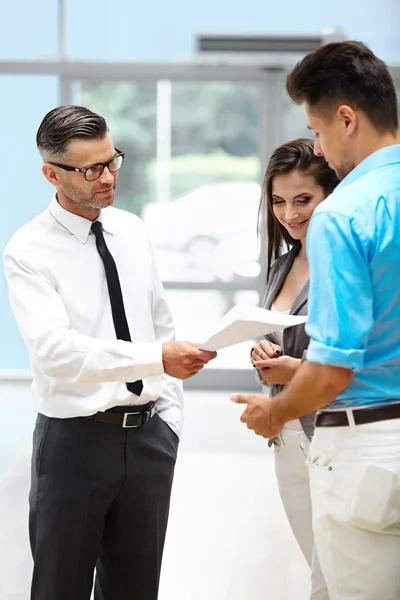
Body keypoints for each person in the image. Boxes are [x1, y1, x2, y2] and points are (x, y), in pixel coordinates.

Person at [3, 105, 217, 600]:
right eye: (90, 168)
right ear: (51, 173)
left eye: (112, 160)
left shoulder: (133, 231)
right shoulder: (28, 250)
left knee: (136, 589)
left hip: (148, 440)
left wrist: (169, 420)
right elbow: (55, 350)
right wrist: (155, 359)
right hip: (74, 443)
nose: (107, 176)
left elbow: (158, 321)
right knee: (62, 587)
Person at [231, 40, 400, 599]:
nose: (320, 148)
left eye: (319, 131)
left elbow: (333, 367)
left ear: (346, 119)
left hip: (367, 443)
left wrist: (274, 410)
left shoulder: (345, 213)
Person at [251, 138, 338, 599]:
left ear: (330, 194)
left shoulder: (344, 262)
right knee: (318, 566)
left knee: (333, 577)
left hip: (332, 434)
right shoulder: (282, 265)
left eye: (303, 199)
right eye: (280, 201)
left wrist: (296, 368)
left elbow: (360, 354)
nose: (290, 213)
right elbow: (276, 339)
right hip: (286, 436)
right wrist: (259, 356)